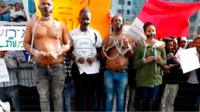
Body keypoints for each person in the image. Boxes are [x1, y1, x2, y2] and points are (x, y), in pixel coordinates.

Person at [23, 0, 70, 111]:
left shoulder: (60, 25)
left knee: (57, 96)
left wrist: (57, 52)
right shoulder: (32, 25)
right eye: (43, 4)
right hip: (40, 67)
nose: (46, 6)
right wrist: (35, 52)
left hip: (58, 66)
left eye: (48, 4)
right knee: (43, 97)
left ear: (53, 8)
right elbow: (25, 43)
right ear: (39, 6)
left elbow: (68, 44)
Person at [68, 7, 102, 111]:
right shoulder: (72, 33)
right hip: (78, 70)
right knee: (79, 96)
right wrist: (77, 59)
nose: (85, 21)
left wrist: (94, 58)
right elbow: (68, 52)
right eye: (83, 19)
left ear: (90, 20)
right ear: (78, 18)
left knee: (91, 96)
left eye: (87, 19)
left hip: (93, 70)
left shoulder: (95, 34)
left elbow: (100, 51)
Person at [102, 15, 135, 111]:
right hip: (109, 73)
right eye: (115, 20)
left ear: (123, 23)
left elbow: (131, 55)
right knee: (109, 98)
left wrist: (128, 46)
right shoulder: (108, 37)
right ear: (111, 23)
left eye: (120, 20)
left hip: (122, 73)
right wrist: (107, 46)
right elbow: (103, 57)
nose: (118, 22)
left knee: (121, 98)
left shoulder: (128, 38)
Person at [133, 22, 166, 111]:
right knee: (143, 101)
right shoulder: (140, 46)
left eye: (153, 30)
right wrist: (145, 60)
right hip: (143, 79)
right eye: (149, 31)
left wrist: (160, 61)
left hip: (156, 80)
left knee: (153, 101)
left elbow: (164, 62)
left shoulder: (160, 45)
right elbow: (135, 63)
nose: (152, 32)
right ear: (145, 33)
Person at [161, 38, 181, 112]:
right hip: (163, 83)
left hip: (171, 83)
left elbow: (178, 64)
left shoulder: (171, 55)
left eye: (172, 45)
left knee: (169, 102)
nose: (171, 47)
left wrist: (169, 66)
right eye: (169, 45)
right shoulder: (160, 53)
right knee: (163, 102)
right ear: (164, 45)